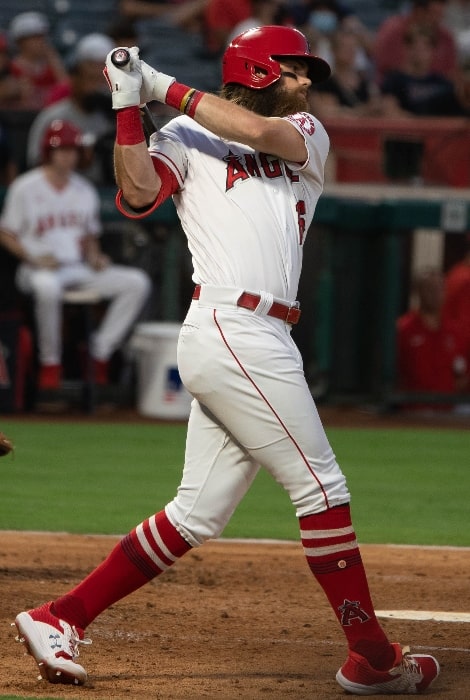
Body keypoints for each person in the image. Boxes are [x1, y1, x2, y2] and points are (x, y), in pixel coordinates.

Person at [12, 27, 440, 695]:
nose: (306, 82)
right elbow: (135, 194)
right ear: (262, 69)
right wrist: (131, 108)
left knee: (197, 512)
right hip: (230, 323)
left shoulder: (303, 130)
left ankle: (59, 615)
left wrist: (160, 87)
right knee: (322, 490)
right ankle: (371, 657)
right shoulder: (183, 136)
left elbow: (259, 135)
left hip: (261, 334)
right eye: (295, 69)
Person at [0, 119, 151, 390]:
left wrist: (95, 256)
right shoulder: (25, 186)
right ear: (48, 151)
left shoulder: (84, 190)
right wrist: (32, 258)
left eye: (73, 150)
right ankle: (50, 363)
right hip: (36, 268)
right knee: (47, 287)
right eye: (62, 149)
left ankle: (99, 353)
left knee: (136, 282)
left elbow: (89, 238)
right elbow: (6, 234)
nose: (68, 155)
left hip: (75, 267)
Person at [26, 33, 116, 185]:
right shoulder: (53, 116)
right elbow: (35, 163)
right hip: (60, 190)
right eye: (91, 80)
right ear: (75, 79)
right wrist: (75, 156)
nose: (97, 88)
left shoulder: (109, 118)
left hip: (103, 192)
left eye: (102, 82)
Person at [396, 267, 468, 408]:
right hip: (411, 411)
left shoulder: (454, 331)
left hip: (447, 412)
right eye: (429, 289)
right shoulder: (404, 329)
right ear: (418, 292)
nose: (435, 294)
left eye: (439, 288)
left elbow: (462, 373)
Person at [380, 24, 470, 117]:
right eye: (415, 46)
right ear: (406, 48)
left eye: (425, 47)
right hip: (412, 129)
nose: (419, 52)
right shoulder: (394, 80)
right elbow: (390, 112)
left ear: (433, 51)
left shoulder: (443, 82)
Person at [373, 0, 458, 84]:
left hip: (437, 92)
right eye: (434, 15)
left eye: (440, 16)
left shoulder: (446, 38)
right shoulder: (393, 31)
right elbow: (385, 68)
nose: (437, 21)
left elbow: (451, 76)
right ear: (419, 11)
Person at [6, 11, 68, 111]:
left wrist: (54, 60)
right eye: (34, 38)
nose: (41, 42)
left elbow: (67, 89)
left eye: (42, 37)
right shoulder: (10, 67)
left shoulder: (52, 66)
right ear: (20, 41)